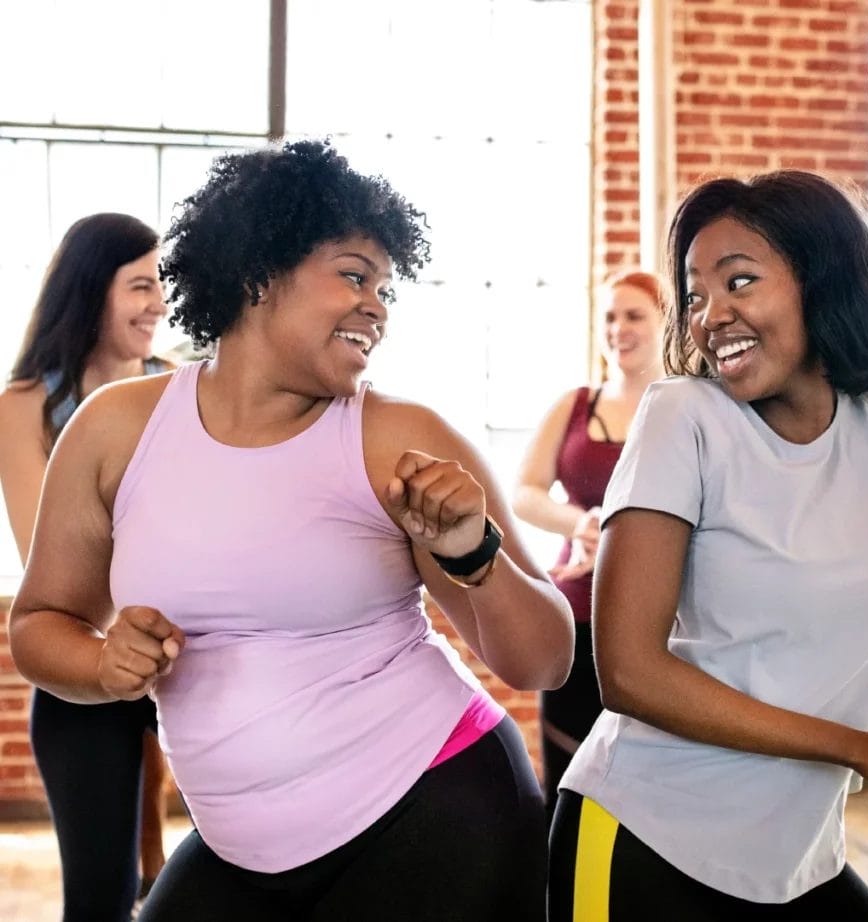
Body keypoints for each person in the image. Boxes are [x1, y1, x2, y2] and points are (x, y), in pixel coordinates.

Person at [7, 139, 575, 922]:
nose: (376, 304)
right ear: (257, 274)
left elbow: (545, 659)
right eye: (352, 275)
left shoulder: (395, 438)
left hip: (435, 806)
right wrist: (103, 663)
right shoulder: (116, 432)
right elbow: (39, 625)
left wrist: (474, 553)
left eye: (385, 286)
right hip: (242, 851)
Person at [547, 170, 868, 920]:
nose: (711, 316)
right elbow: (631, 673)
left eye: (740, 281)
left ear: (822, 281)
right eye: (696, 296)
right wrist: (860, 748)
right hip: (647, 837)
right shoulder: (685, 417)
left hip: (795, 860)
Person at [0, 213, 173, 921]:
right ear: (88, 292)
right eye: (139, 285)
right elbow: (54, 573)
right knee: (100, 895)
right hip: (87, 664)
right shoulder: (25, 406)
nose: (159, 302)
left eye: (159, 283)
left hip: (187, 650)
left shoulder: (182, 389)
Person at [513, 269, 665, 818]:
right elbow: (525, 492)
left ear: (663, 321)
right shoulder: (574, 404)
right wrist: (580, 523)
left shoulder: (690, 409)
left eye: (633, 315)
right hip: (575, 613)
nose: (618, 328)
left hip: (662, 623)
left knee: (648, 782)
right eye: (609, 316)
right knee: (569, 779)